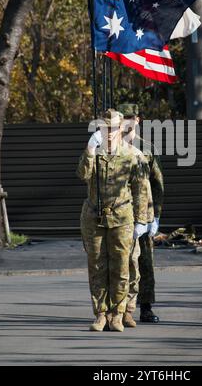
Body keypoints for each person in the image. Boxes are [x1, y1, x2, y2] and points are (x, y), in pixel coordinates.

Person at [76, 109, 149, 332]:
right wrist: (90, 148)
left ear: (121, 129)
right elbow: (83, 175)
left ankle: (117, 314)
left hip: (122, 217)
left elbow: (141, 190)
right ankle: (101, 314)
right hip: (94, 216)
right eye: (105, 129)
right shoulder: (94, 153)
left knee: (120, 267)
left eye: (114, 129)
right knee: (97, 267)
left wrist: (141, 221)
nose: (109, 133)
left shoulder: (133, 155)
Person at [118, 103, 164, 323]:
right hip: (118, 215)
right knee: (119, 263)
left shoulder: (146, 149)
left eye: (131, 117)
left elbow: (157, 183)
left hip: (143, 216)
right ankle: (118, 310)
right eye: (123, 117)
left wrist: (155, 216)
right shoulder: (111, 148)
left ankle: (145, 307)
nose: (127, 121)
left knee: (144, 263)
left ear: (138, 120)